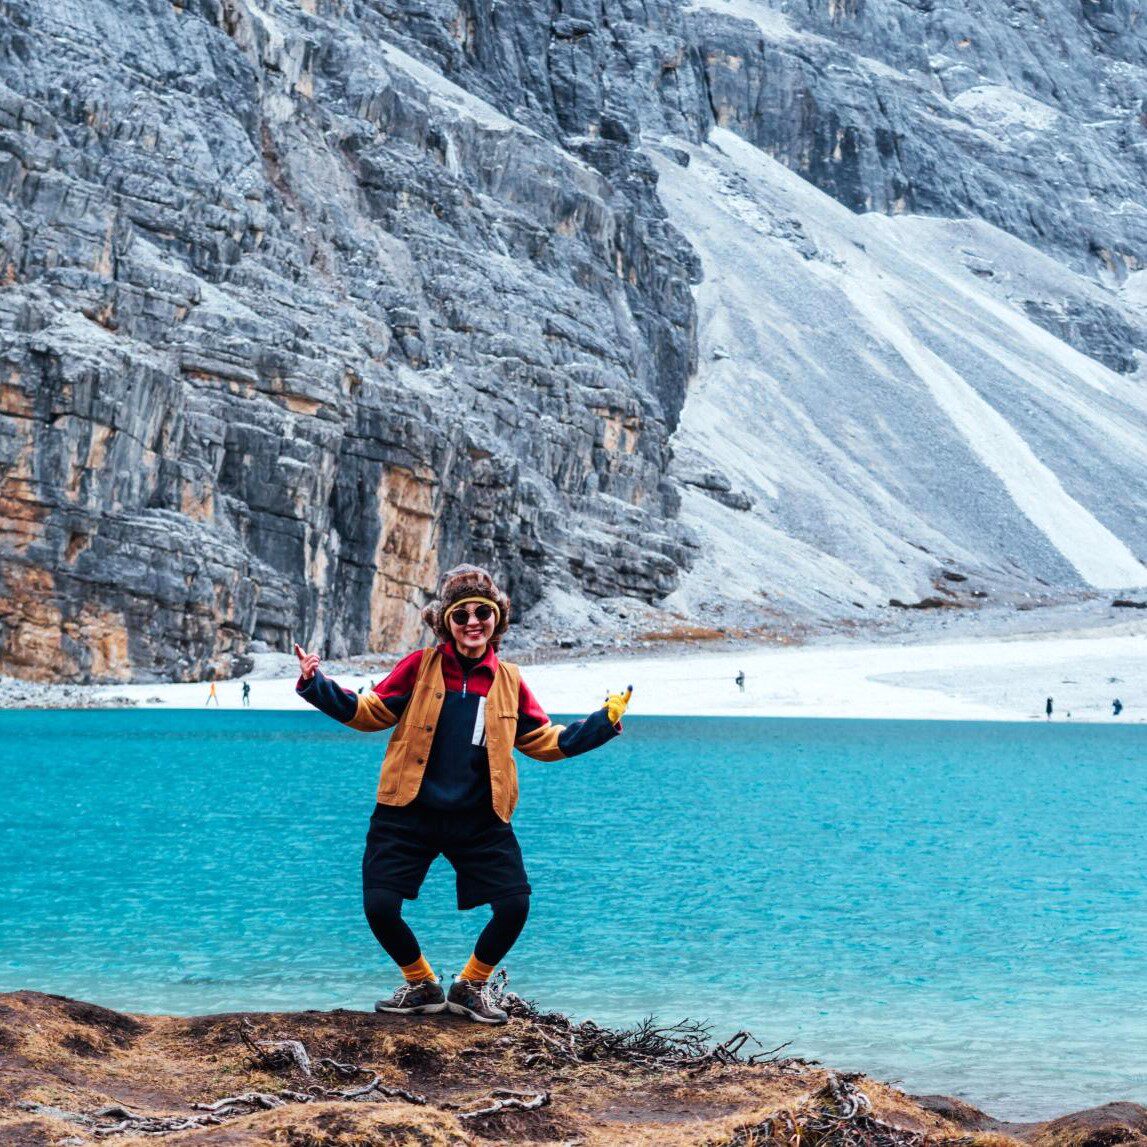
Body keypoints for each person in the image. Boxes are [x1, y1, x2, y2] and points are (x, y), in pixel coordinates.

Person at [294, 564, 631, 1024]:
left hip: (480, 815)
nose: (473, 622)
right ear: (446, 623)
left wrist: (601, 723)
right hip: (408, 809)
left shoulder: (509, 680)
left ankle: (470, 986)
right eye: (461, 615)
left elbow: (544, 742)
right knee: (379, 905)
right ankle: (421, 985)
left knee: (514, 905)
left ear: (497, 620)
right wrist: (317, 685)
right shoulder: (420, 666)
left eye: (483, 613)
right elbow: (370, 712)